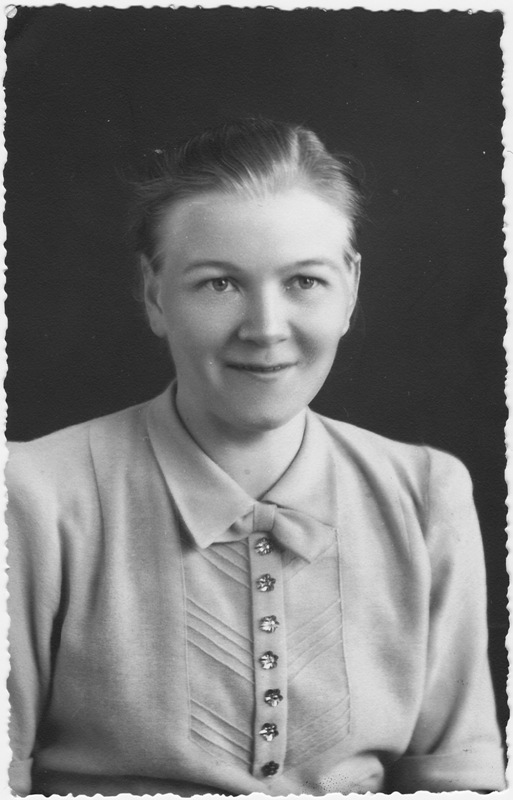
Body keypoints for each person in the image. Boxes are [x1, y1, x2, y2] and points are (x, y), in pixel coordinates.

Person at [6, 118, 506, 796]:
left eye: (304, 281)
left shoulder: (424, 494)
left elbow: (460, 783)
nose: (266, 329)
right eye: (220, 284)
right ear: (154, 294)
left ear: (351, 288)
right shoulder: (33, 494)